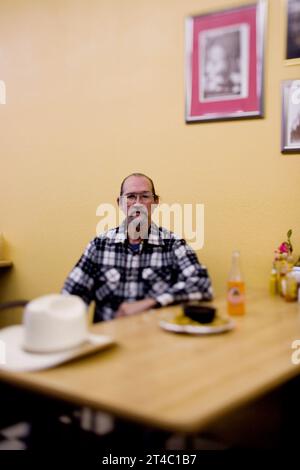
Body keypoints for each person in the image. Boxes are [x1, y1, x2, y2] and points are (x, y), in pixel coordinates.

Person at [62, 173, 213, 322]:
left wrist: (152, 302)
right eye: (131, 196)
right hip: (110, 339)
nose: (138, 203)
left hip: (157, 341)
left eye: (145, 196)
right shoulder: (99, 245)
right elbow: (71, 297)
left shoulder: (173, 244)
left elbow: (202, 285)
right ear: (120, 203)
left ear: (155, 202)